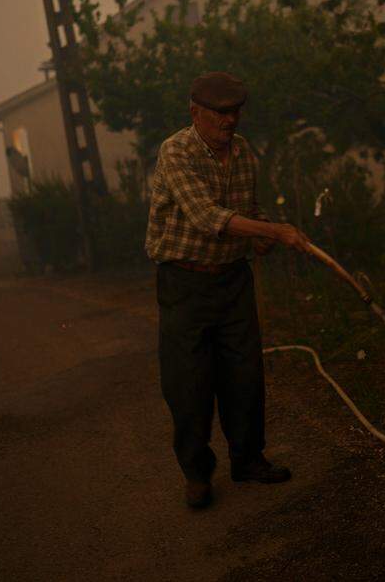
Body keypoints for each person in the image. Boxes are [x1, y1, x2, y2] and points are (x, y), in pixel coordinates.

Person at [146, 71, 309, 510]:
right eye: (220, 112)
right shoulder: (176, 151)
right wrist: (272, 228)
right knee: (189, 384)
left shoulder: (244, 155)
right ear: (195, 112)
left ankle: (248, 460)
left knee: (244, 373)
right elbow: (206, 216)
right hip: (184, 281)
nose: (230, 120)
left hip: (233, 279)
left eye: (235, 111)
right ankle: (197, 475)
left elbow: (245, 215)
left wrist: (267, 239)